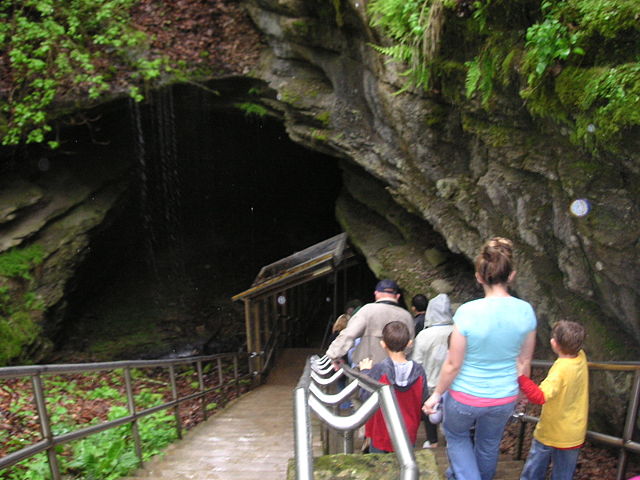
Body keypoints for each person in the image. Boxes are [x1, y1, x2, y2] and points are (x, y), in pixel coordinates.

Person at [423, 237, 537, 480]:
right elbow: (524, 361)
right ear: (512, 275)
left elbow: (453, 363)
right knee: (488, 443)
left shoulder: (467, 312)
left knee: (457, 436)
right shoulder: (526, 311)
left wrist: (435, 394)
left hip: (466, 395)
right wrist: (522, 395)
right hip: (504, 395)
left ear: (479, 276)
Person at [518, 320, 589, 480]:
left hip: (551, 432)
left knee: (533, 471)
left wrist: (521, 377)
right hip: (574, 432)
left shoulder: (561, 370)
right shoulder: (581, 357)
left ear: (554, 343)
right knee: (564, 474)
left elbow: (540, 396)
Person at [359, 321, 429, 453]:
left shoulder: (378, 370)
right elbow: (424, 398)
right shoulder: (419, 371)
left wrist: (365, 372)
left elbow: (365, 396)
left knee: (380, 467)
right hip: (408, 431)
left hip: (381, 430)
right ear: (409, 343)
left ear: (383, 344)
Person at [326, 279, 414, 369]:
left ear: (376, 293)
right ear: (397, 296)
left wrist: (334, 355)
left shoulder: (367, 310)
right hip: (396, 372)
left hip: (367, 371)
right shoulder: (407, 316)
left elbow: (349, 334)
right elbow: (410, 347)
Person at [413, 293, 454, 448]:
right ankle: (451, 441)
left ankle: (432, 441)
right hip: (452, 383)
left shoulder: (424, 335)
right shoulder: (457, 331)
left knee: (429, 411)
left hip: (429, 383)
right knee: (451, 415)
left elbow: (417, 362)